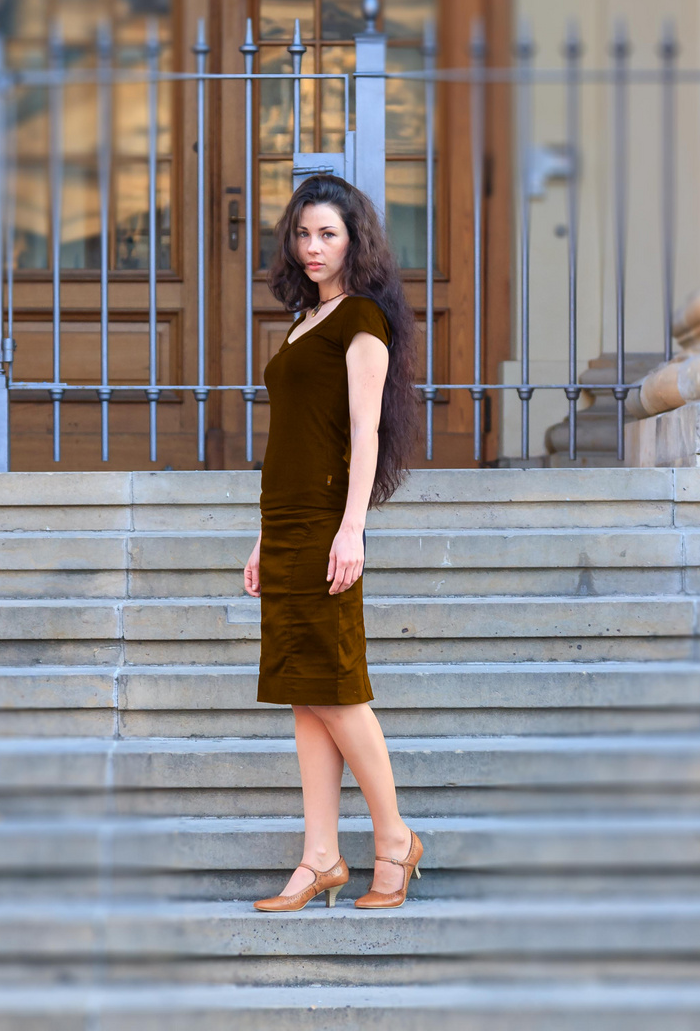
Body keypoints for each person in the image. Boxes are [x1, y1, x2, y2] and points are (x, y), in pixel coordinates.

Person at [242, 175, 424, 912]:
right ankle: (320, 856)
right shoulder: (301, 322)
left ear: (356, 243)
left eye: (329, 235)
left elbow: (364, 432)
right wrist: (262, 539)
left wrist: (352, 529)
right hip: (284, 526)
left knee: (338, 692)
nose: (313, 248)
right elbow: (288, 438)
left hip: (325, 524)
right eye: (304, 234)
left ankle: (394, 841)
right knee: (304, 694)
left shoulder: (361, 324)